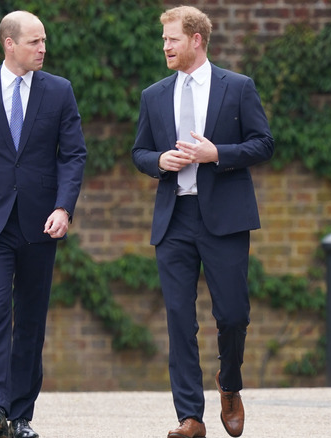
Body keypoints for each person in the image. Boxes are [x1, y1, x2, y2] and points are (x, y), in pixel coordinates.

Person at [132, 6, 274, 438]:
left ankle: (229, 385)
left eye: (172, 39)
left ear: (196, 40)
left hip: (225, 219)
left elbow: (264, 143)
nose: (165, 47)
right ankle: (190, 417)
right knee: (179, 318)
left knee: (232, 315)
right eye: (163, 40)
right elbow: (139, 152)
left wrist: (218, 155)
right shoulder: (154, 95)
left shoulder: (238, 87)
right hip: (174, 217)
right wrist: (159, 160)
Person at [0, 10, 86, 438]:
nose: (43, 48)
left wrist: (64, 207)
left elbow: (74, 155)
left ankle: (19, 415)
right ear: (9, 43)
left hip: (40, 223)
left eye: (44, 41)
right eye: (34, 41)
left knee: (30, 320)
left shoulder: (59, 91)